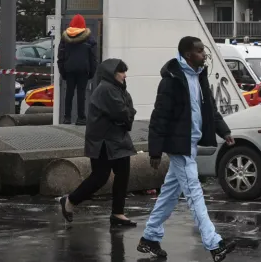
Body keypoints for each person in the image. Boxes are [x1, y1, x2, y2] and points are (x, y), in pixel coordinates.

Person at [138, 37, 238, 261]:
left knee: (170, 194)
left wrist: (224, 131)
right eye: (200, 51)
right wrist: (155, 150)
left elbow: (209, 108)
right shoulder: (172, 80)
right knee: (194, 193)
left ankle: (150, 237)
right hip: (179, 146)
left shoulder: (199, 76)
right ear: (188, 55)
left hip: (189, 144)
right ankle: (214, 244)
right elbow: (159, 116)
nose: (204, 55)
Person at [59, 58, 137, 228]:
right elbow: (122, 112)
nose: (124, 75)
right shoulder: (106, 89)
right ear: (112, 73)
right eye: (121, 72)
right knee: (100, 177)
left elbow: (128, 111)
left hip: (117, 139)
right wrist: (127, 114)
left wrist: (127, 114)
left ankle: (118, 213)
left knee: (122, 175)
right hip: (103, 141)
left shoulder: (117, 89)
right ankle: (70, 200)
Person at [57, 14, 98, 125]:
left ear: (71, 24)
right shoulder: (90, 39)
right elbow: (93, 58)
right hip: (83, 70)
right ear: (83, 25)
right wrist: (91, 72)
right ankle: (81, 118)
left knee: (69, 93)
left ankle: (67, 117)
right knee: (81, 94)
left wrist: (63, 72)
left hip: (69, 70)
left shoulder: (65, 38)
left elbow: (60, 57)